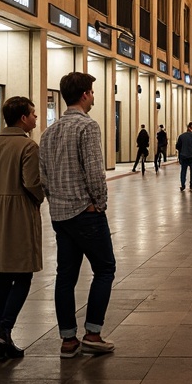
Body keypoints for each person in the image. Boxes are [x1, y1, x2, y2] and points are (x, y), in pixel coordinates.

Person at [39, 71, 116, 357]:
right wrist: (99, 203)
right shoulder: (87, 127)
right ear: (84, 94)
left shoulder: (49, 131)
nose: (94, 97)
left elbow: (43, 176)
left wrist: (55, 202)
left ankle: (68, 340)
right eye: (92, 92)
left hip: (60, 215)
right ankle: (93, 334)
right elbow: (95, 171)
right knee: (105, 269)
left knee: (65, 276)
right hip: (86, 212)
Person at [0, 96, 44, 360]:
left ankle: (2, 332)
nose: (36, 118)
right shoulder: (28, 146)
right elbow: (31, 182)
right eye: (34, 114)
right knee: (24, 273)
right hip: (18, 212)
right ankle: (4, 330)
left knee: (2, 274)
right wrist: (42, 195)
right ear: (23, 118)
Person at [176, 122, 192, 191]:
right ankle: (191, 186)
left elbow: (177, 146)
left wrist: (181, 151)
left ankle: (183, 185)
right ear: (191, 128)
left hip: (183, 156)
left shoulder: (181, 136)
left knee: (183, 171)